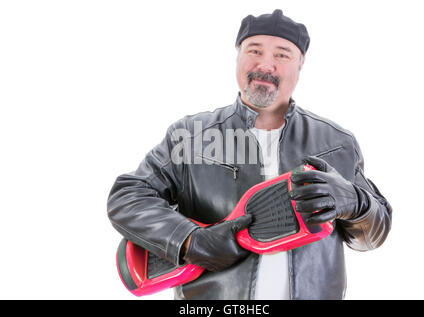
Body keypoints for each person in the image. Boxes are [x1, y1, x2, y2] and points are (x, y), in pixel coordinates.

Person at [107, 9, 392, 300]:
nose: (265, 64)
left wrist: (355, 203)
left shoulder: (338, 142)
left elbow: (373, 234)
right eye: (254, 50)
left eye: (282, 54)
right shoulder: (190, 137)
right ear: (238, 56)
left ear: (301, 64)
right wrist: (189, 240)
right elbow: (127, 196)